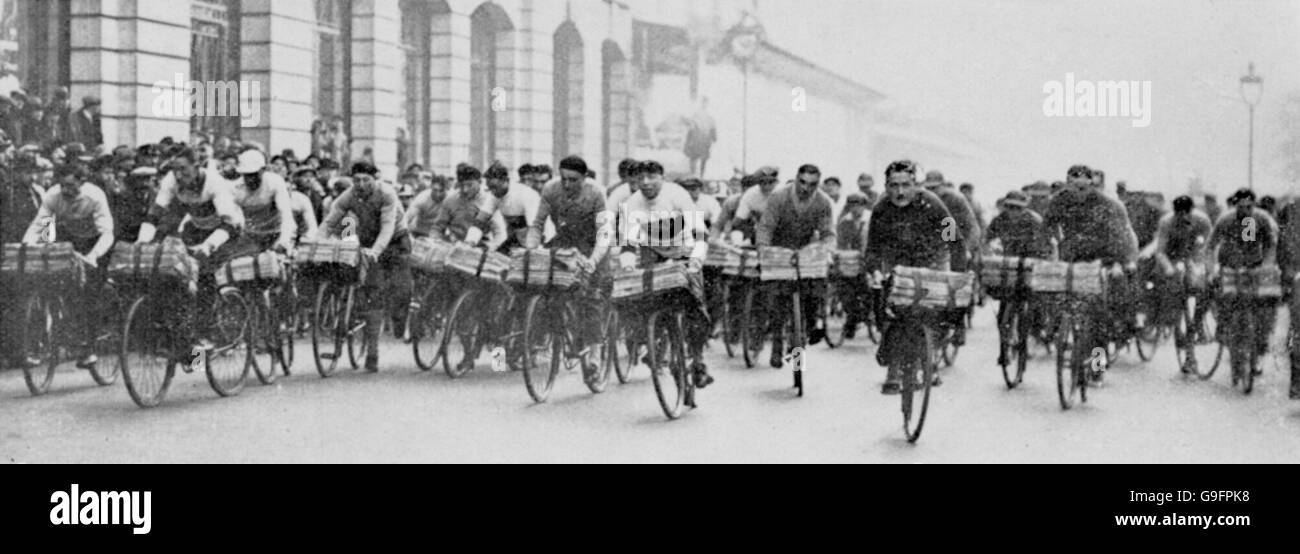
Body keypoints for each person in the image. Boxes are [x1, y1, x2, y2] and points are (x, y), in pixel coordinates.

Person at [136, 149, 245, 352]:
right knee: (172, 271)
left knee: (204, 274)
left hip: (225, 231)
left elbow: (228, 225)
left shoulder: (215, 184)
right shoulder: (171, 180)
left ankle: (205, 334)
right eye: (175, 170)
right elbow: (155, 214)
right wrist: (143, 240)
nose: (178, 175)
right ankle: (178, 334)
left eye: (183, 170)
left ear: (197, 166)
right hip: (195, 227)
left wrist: (208, 246)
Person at [617, 159, 713, 387]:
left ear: (662, 178)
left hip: (685, 249)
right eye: (641, 178)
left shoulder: (677, 195)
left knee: (696, 307)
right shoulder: (632, 203)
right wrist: (628, 262)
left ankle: (698, 362)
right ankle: (656, 340)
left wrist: (696, 260)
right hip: (654, 252)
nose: (646, 183)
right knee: (647, 298)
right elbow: (628, 242)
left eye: (652, 177)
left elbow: (700, 231)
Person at [1042, 164, 1140, 382]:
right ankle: (1060, 331)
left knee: (1098, 318)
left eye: (1083, 187)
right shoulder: (1059, 200)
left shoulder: (1109, 205)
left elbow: (1121, 236)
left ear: (1091, 185)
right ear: (1068, 184)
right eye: (1073, 186)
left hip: (1102, 259)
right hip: (1072, 259)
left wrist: (1117, 263)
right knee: (1060, 300)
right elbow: (1046, 226)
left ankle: (1098, 367)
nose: (1078, 191)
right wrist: (1050, 244)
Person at [864, 160, 955, 393]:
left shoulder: (933, 204)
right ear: (886, 185)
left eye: (906, 185)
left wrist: (950, 268)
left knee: (934, 309)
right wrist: (874, 270)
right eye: (894, 185)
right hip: (898, 263)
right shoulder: (881, 208)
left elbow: (952, 238)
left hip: (931, 259)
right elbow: (873, 248)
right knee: (889, 307)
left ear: (916, 184)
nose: (900, 192)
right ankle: (893, 367)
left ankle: (930, 357)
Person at [317, 161, 413, 372]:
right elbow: (330, 222)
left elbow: (387, 227)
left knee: (401, 289)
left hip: (396, 240)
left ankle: (400, 321)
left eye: (365, 180)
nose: (360, 184)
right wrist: (318, 244)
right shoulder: (349, 195)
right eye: (356, 180)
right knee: (372, 290)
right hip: (369, 239)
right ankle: (372, 352)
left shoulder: (387, 194)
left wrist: (376, 252)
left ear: (376, 179)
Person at [525, 156, 611, 385]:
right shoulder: (551, 189)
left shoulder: (597, 193)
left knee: (592, 298)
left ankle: (594, 357)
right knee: (539, 281)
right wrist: (531, 249)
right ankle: (545, 333)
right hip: (565, 240)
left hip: (592, 245)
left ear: (584, 178)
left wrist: (593, 261)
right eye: (563, 179)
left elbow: (605, 233)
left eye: (573, 180)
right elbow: (537, 224)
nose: (566, 184)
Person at [22, 163, 115, 369]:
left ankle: (89, 349)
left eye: (71, 186)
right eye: (62, 185)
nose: (66, 190)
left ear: (82, 182)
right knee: (51, 283)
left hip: (95, 243)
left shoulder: (95, 196)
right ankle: (41, 343)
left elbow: (107, 233)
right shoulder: (53, 196)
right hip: (71, 240)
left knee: (90, 292)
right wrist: (29, 246)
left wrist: (93, 256)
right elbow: (42, 226)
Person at [755, 164, 835, 368]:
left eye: (812, 184)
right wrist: (763, 249)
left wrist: (827, 248)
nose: (806, 188)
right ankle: (776, 345)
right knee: (776, 301)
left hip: (805, 252)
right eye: (803, 182)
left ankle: (801, 343)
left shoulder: (823, 202)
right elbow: (766, 226)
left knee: (813, 295)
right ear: (796, 178)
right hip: (779, 251)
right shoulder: (778, 197)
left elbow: (827, 232)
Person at [1207, 188, 1279, 384]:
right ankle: (1226, 332)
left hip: (1253, 269)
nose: (1246, 211)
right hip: (1229, 267)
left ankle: (1257, 348)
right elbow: (1210, 246)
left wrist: (1266, 266)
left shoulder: (1259, 219)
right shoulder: (1226, 220)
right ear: (1235, 205)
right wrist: (1212, 269)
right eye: (1241, 207)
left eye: (1249, 207)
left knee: (1263, 305)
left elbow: (1271, 244)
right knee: (1228, 300)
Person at [1139, 195, 1213, 349]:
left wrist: (1202, 266)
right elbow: (1160, 251)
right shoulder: (1166, 222)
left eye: (1187, 213)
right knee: (1172, 289)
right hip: (1171, 257)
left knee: (1206, 289)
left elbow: (1208, 247)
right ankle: (1174, 325)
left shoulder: (1202, 221)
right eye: (1180, 213)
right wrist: (1168, 268)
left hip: (1192, 256)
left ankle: (1198, 323)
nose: (1183, 217)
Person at [229, 149, 295, 257]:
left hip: (276, 233)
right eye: (247, 175)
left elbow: (286, 215)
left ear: (263, 170)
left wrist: (284, 240)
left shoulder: (275, 182)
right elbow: (234, 220)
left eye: (254, 174)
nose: (250, 180)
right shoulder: (235, 189)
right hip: (252, 236)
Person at [429, 163, 507, 249]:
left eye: (470, 185)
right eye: (461, 185)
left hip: (480, 247)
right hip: (454, 246)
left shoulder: (489, 202)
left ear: (479, 182)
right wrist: (435, 241)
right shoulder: (450, 200)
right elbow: (437, 227)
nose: (465, 190)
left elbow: (499, 233)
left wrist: (491, 248)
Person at [836, 193, 872, 339]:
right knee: (845, 289)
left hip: (869, 259)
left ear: (864, 206)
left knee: (870, 290)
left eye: (858, 205)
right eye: (852, 205)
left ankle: (867, 314)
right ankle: (852, 317)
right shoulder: (845, 222)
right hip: (851, 262)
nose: (855, 209)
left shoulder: (872, 219)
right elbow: (841, 243)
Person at [482, 161, 540, 252]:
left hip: (539, 240)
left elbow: (535, 229)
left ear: (506, 181)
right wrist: (469, 242)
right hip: (517, 239)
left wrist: (527, 252)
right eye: (490, 188)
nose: (493, 192)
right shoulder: (494, 195)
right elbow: (480, 220)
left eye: (495, 187)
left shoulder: (526, 195)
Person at [684, 97, 717, 178]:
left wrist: (714, 137)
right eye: (703, 102)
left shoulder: (710, 116)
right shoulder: (695, 116)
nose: (704, 104)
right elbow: (691, 129)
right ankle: (693, 174)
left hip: (705, 141)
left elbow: (713, 128)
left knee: (703, 159)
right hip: (696, 140)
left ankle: (701, 175)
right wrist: (688, 140)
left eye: (705, 103)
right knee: (694, 158)